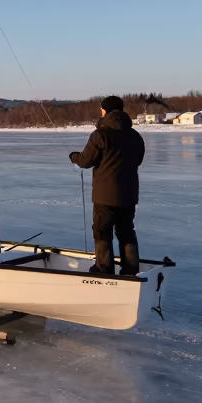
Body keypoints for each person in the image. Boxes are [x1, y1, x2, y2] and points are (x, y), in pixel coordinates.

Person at [69, 95, 145, 275]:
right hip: (129, 195)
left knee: (102, 231)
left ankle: (103, 269)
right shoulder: (135, 136)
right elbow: (138, 160)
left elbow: (86, 161)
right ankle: (131, 269)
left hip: (105, 196)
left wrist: (74, 157)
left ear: (105, 110)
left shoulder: (100, 135)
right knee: (126, 231)